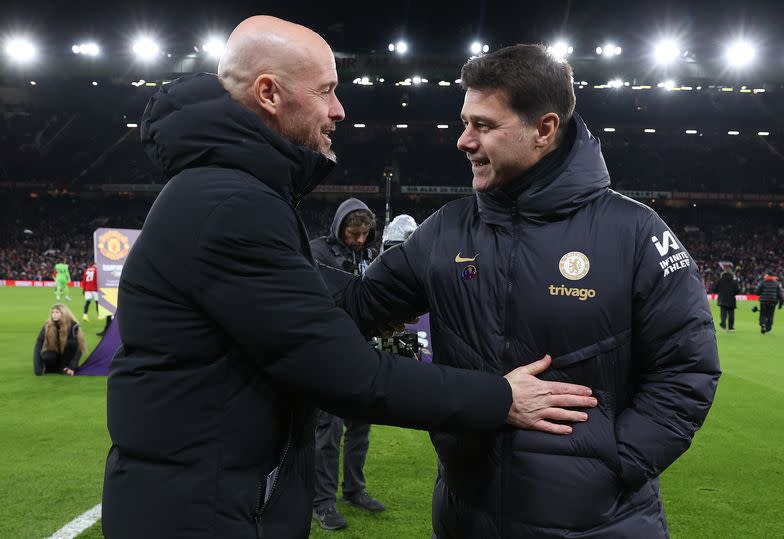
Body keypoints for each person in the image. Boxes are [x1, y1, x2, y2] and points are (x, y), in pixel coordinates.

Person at [101, 19, 598, 539]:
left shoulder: (224, 191)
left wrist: (391, 292)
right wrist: (501, 398)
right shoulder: (232, 203)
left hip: (196, 496)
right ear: (269, 93)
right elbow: (352, 377)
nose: (338, 110)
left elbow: (294, 291)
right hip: (202, 513)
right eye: (326, 91)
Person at [335, 44, 721, 538]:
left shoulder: (635, 233)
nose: (463, 141)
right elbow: (355, 306)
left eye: (484, 125)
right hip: (464, 519)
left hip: (598, 525)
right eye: (464, 121)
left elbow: (688, 369)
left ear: (545, 129)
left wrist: (614, 467)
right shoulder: (445, 231)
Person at [309, 199, 384, 530]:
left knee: (361, 427)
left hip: (361, 352)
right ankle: (322, 502)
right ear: (339, 227)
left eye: (364, 235)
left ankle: (354, 490)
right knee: (328, 430)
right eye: (353, 234)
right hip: (328, 354)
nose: (358, 240)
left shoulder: (368, 254)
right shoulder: (317, 253)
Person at [33, 303, 86, 376]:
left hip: (68, 356)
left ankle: (65, 367)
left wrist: (72, 367)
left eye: (57, 312)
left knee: (72, 343)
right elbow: (38, 345)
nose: (54, 314)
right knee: (47, 356)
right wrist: (37, 367)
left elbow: (79, 349)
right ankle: (56, 367)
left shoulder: (73, 326)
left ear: (64, 313)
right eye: (52, 312)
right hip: (55, 354)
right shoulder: (47, 325)